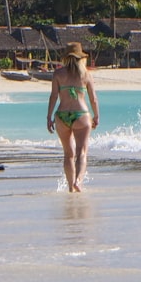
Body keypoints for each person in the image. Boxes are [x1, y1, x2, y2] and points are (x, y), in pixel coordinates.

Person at [46, 42, 99, 192]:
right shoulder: (86, 75)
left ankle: (70, 187)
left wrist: (49, 117)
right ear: (81, 58)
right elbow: (93, 98)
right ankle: (78, 181)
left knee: (68, 154)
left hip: (61, 116)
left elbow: (53, 97)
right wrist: (96, 116)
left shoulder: (58, 74)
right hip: (81, 114)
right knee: (81, 152)